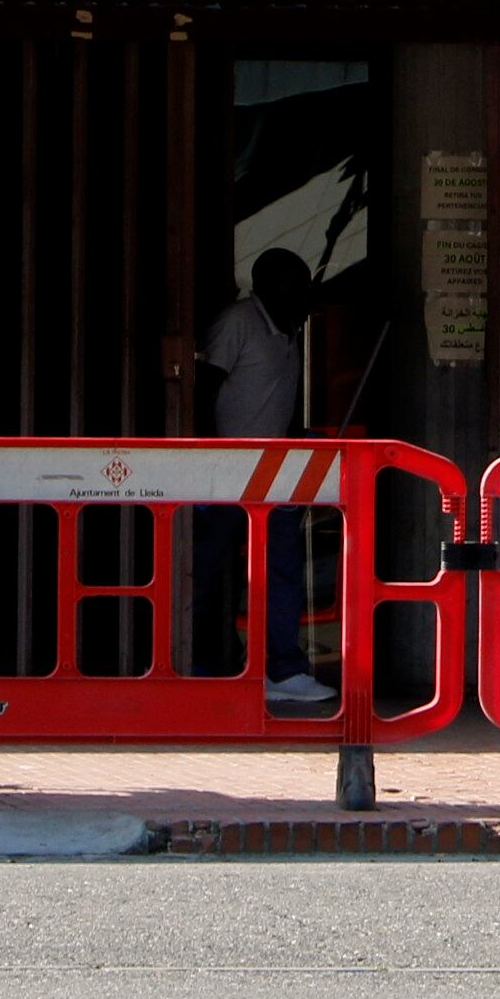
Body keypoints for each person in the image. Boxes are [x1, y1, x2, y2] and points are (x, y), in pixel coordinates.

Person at [199, 251, 329, 705]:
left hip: (273, 473)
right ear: (270, 284)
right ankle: (191, 664)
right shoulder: (239, 322)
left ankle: (281, 669)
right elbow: (204, 387)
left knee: (280, 569)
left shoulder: (291, 328)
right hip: (225, 472)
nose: (305, 292)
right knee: (205, 569)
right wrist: (204, 457)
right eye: (297, 283)